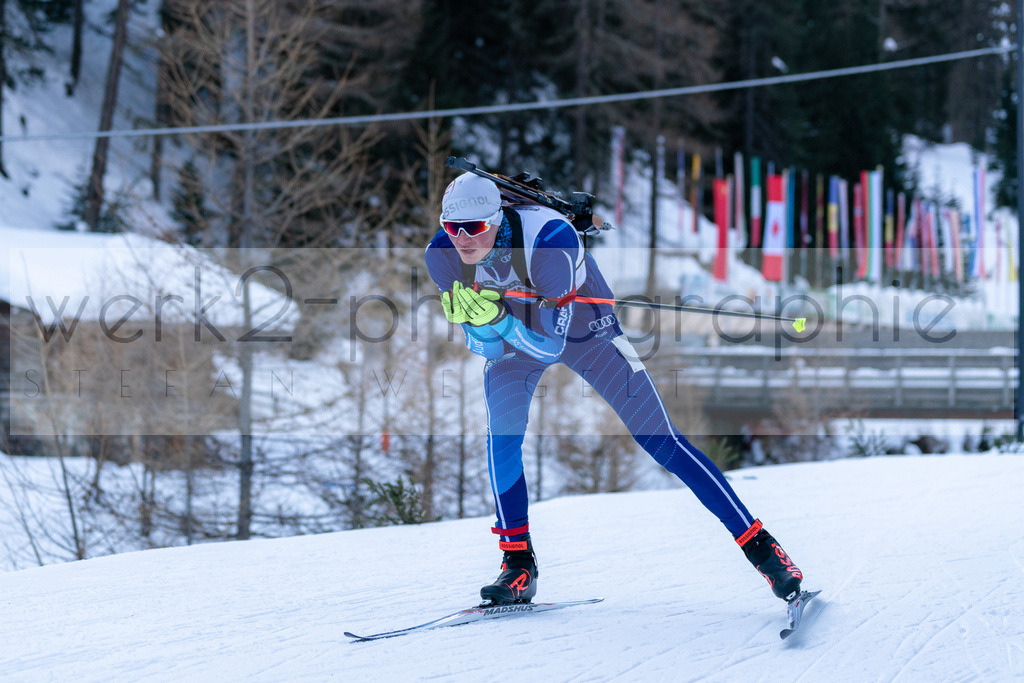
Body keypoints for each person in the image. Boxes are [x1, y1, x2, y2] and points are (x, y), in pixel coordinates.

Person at [424, 172, 803, 606]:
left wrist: (498, 320)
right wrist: (478, 324)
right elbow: (487, 347)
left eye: (474, 228)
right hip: (515, 337)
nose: (463, 240)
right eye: (453, 228)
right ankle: (518, 566)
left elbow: (551, 345)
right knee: (502, 436)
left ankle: (764, 550)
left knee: (661, 441)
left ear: (495, 219)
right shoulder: (443, 256)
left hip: (588, 331)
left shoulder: (550, 243)